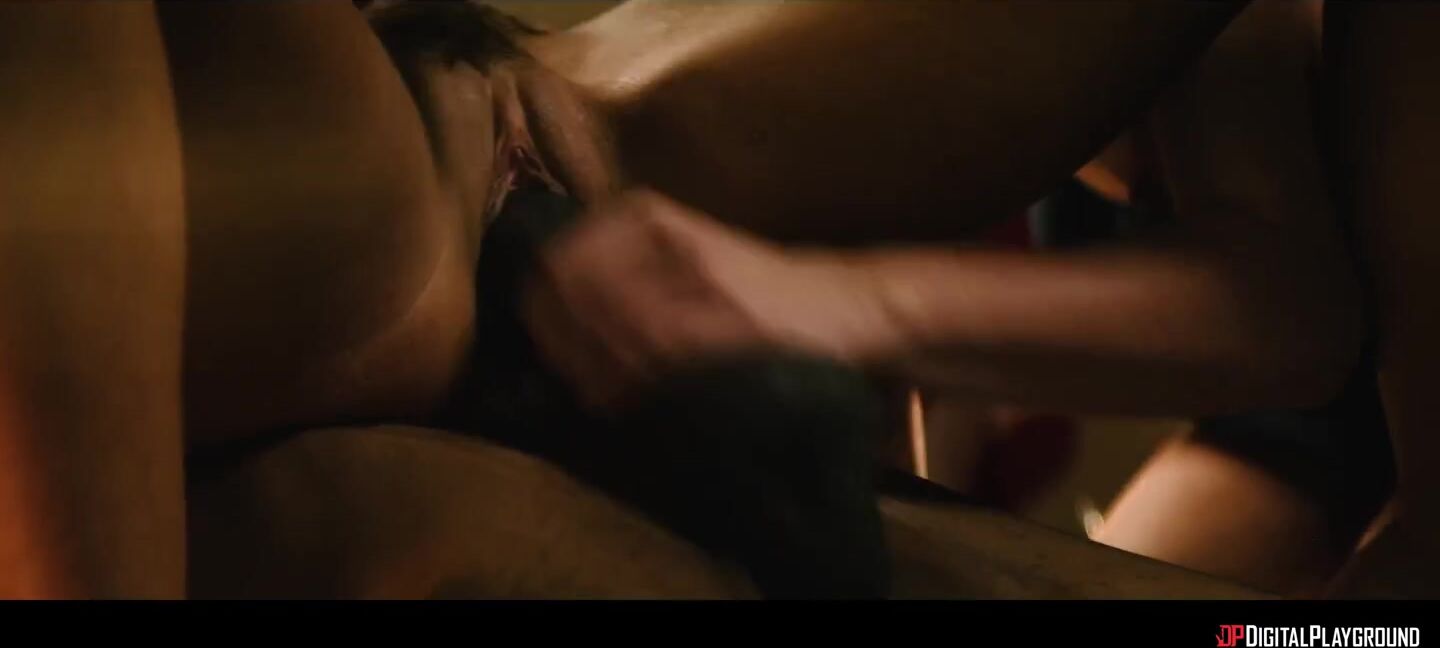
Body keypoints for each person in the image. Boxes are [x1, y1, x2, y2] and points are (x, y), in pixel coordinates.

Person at [3, 0, 1316, 598]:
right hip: (428, 171)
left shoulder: (1251, 42)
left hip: (472, 219)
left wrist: (840, 304)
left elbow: (1294, 308)